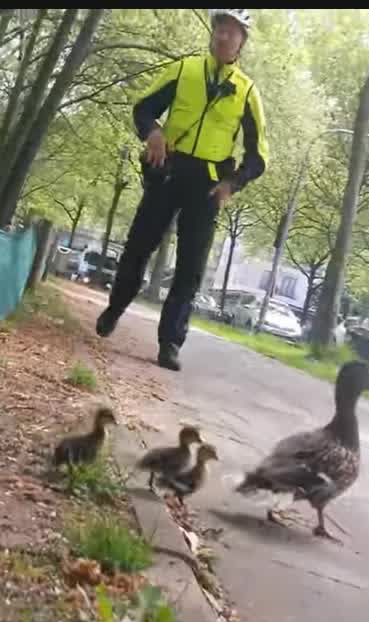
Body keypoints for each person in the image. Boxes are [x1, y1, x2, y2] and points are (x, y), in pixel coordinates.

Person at [95, 9, 269, 371]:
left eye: (233, 32)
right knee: (139, 246)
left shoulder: (248, 92)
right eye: (220, 29)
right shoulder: (185, 69)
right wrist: (153, 133)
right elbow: (144, 108)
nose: (224, 37)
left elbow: (258, 155)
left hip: (207, 186)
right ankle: (116, 307)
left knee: (190, 269)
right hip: (169, 171)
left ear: (242, 41)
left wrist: (232, 184)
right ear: (214, 32)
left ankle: (170, 343)